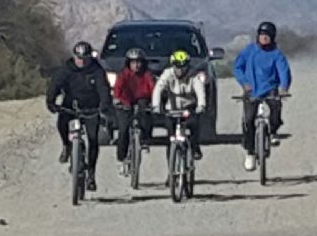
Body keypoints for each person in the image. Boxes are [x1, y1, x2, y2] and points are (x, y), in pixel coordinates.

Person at [45, 41, 113, 191]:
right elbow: (55, 84)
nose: (81, 61)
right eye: (78, 58)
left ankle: (91, 174)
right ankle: (67, 146)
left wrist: (104, 104)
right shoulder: (66, 69)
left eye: (84, 58)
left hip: (91, 108)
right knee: (61, 123)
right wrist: (51, 101)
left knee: (93, 139)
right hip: (71, 106)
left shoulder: (97, 70)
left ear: (89, 57)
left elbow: (103, 88)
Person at [233, 21, 292, 171]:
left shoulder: (277, 54)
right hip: (251, 90)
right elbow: (237, 67)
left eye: (267, 36)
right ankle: (250, 152)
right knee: (248, 120)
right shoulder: (249, 51)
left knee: (275, 107)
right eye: (261, 35)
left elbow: (284, 72)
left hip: (270, 88)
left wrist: (283, 87)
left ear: (272, 37)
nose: (264, 38)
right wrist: (244, 82)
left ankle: (272, 132)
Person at [152, 49, 206, 167]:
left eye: (183, 67)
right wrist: (156, 105)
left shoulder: (193, 75)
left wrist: (201, 105)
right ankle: (171, 168)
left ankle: (194, 147)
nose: (180, 70)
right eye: (177, 67)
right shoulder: (167, 74)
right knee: (170, 138)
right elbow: (158, 89)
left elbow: (200, 91)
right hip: (171, 108)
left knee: (194, 124)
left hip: (188, 107)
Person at [113, 47, 155, 175]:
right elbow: (117, 90)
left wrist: (154, 101)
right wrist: (117, 100)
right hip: (125, 102)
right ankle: (121, 159)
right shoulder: (123, 75)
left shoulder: (147, 74)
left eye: (139, 62)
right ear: (128, 63)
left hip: (142, 100)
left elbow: (153, 88)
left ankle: (145, 140)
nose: (136, 65)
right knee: (123, 130)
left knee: (146, 116)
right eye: (133, 62)